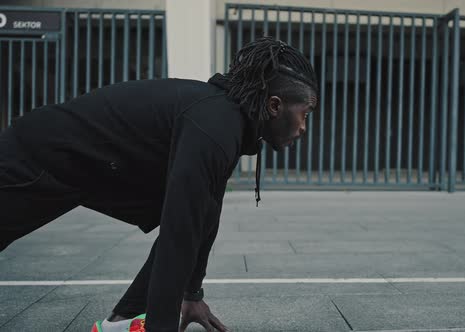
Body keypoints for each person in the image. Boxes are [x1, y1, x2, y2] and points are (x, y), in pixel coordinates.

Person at [0, 37, 318, 332]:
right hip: (34, 156)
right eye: (306, 113)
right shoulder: (215, 126)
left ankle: (122, 321)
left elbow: (205, 216)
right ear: (275, 106)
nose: (304, 127)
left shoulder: (227, 124)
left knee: (195, 215)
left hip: (82, 169)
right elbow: (179, 236)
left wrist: (191, 293)